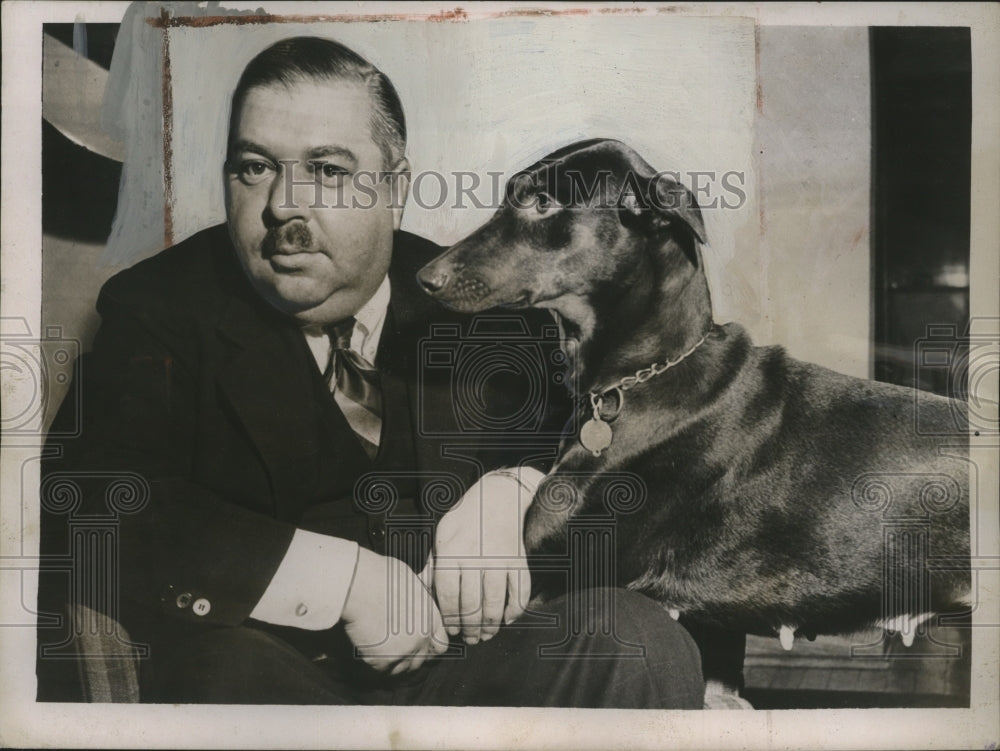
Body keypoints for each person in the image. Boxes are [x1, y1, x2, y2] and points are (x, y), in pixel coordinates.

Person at [37, 36, 706, 707]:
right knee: (217, 675)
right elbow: (91, 495)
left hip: (468, 674)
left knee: (635, 641)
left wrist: (516, 490)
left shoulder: (483, 302)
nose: (282, 207)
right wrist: (340, 581)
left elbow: (610, 443)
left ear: (395, 188)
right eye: (253, 167)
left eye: (327, 170)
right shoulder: (160, 307)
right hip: (274, 679)